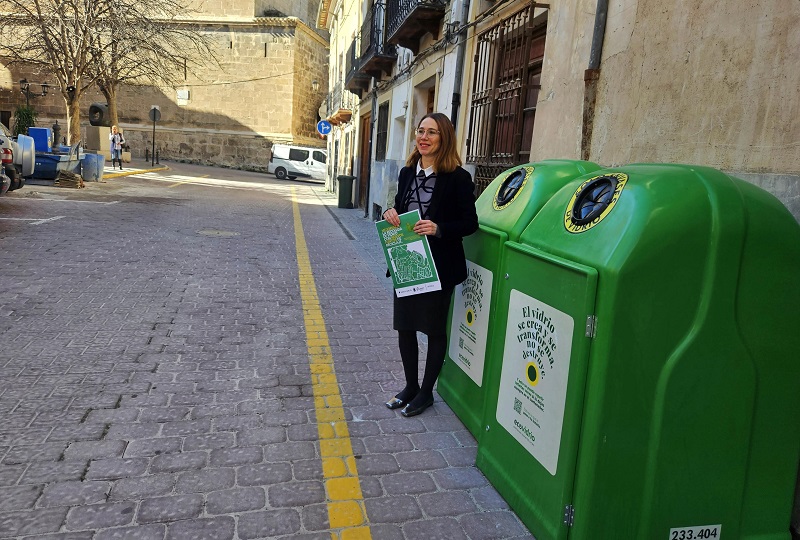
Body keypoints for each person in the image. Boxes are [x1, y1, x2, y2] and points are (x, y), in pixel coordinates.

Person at [382, 112, 479, 417]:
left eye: (432, 133)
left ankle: (426, 393)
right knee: (406, 327)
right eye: (420, 131)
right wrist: (390, 213)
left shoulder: (459, 178)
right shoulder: (408, 172)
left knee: (434, 330)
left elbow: (469, 223)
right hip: (407, 261)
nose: (423, 137)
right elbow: (399, 207)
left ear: (444, 138)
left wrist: (439, 229)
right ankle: (410, 387)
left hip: (440, 265)